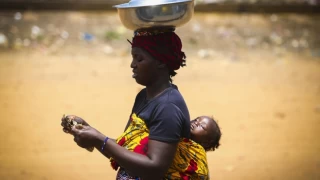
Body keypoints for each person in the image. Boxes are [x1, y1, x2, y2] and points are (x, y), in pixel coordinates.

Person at [61, 28, 202, 180]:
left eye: (139, 59)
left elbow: (154, 167)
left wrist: (99, 139)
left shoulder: (167, 107)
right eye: (133, 58)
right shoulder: (143, 97)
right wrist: (91, 133)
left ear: (161, 61)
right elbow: (125, 150)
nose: (132, 65)